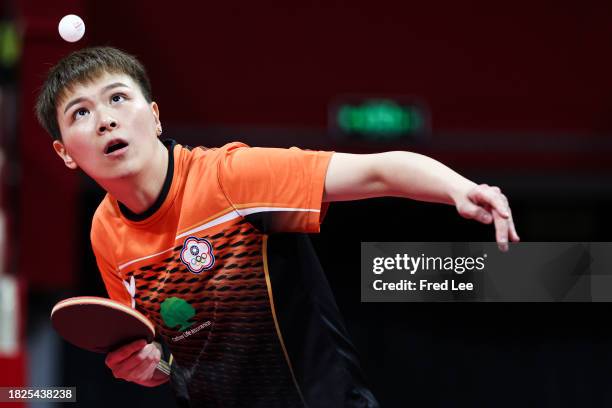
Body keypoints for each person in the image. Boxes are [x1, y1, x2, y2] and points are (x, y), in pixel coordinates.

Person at [35, 47, 519, 407]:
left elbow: (378, 170)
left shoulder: (232, 177)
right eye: (81, 112)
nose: (104, 120)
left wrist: (459, 189)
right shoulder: (106, 232)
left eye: (118, 98)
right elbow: (165, 354)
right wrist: (148, 367)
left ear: (155, 117)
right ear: (64, 153)